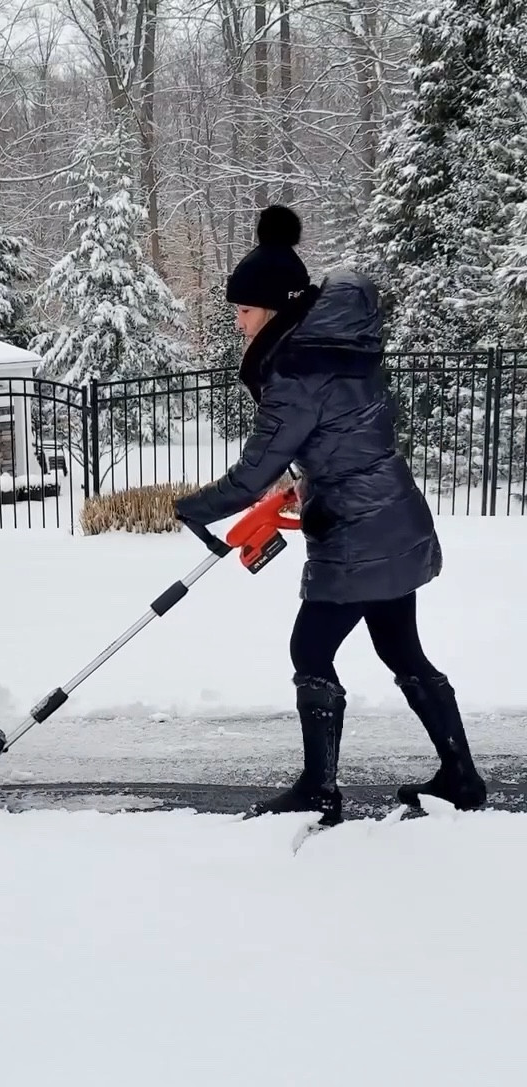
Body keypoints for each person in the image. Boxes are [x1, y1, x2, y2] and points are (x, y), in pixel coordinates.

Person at [174, 205, 487, 823]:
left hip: (357, 534)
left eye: (242, 310)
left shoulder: (293, 369)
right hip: (391, 517)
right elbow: (347, 438)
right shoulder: (337, 349)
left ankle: (320, 789)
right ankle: (462, 775)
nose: (238, 323)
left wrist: (191, 506)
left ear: (272, 308)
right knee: (403, 652)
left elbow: (250, 474)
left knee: (310, 651)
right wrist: (306, 480)